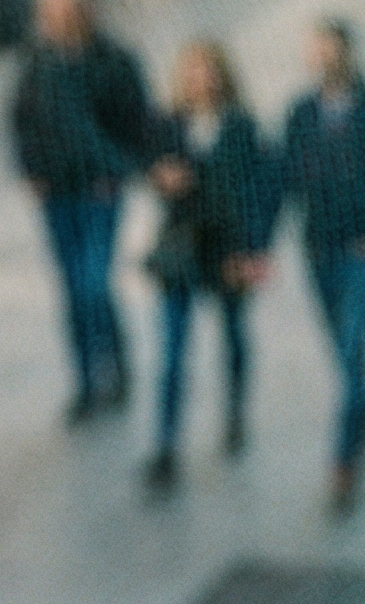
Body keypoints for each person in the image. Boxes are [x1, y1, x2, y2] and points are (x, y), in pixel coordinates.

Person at [281, 19, 365, 511]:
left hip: (362, 251)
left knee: (354, 340)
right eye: (315, 51)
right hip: (318, 249)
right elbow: (285, 178)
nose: (322, 60)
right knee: (341, 345)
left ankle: (343, 461)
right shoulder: (301, 113)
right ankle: (364, 407)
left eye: (330, 50)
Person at [8, 0, 153, 422]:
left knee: (93, 282)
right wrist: (31, 171)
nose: (58, 21)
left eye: (67, 11)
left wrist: (116, 170)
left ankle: (114, 364)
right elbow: (21, 118)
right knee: (71, 289)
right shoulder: (38, 59)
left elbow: (137, 124)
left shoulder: (115, 61)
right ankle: (87, 381)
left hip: (97, 191)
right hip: (57, 192)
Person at [141, 40, 280, 492]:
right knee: (172, 353)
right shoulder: (170, 124)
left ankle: (236, 412)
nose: (200, 79)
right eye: (193, 71)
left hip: (227, 249)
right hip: (182, 250)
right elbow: (152, 171)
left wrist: (254, 248)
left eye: (208, 71)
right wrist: (161, 179)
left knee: (234, 336)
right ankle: (166, 444)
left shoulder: (241, 126)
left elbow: (261, 189)